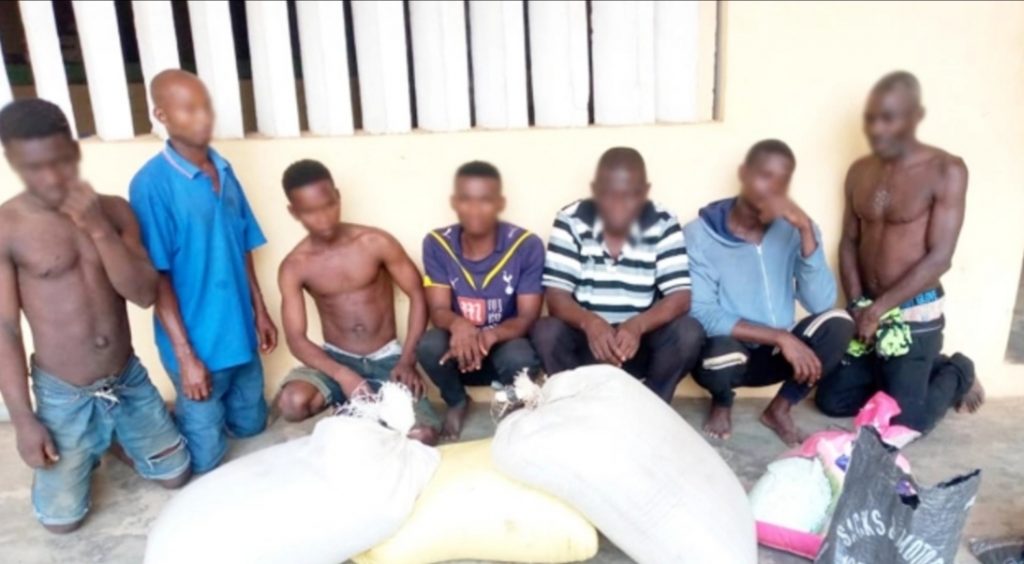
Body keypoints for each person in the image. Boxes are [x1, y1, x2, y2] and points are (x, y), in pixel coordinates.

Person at [0, 99, 190, 533]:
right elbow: (5, 329)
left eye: (60, 161)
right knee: (62, 523)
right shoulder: (7, 228)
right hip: (64, 396)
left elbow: (143, 294)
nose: (52, 178)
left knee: (176, 476)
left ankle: (112, 436)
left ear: (74, 148)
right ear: (13, 162)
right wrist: (24, 419)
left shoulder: (115, 210)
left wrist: (99, 229)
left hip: (127, 380)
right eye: (34, 168)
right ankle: (91, 443)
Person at [815, 71, 984, 433]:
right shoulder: (859, 171)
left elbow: (941, 257)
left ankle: (958, 370)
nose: (878, 128)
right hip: (867, 309)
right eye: (872, 118)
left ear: (915, 117)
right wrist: (858, 304)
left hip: (914, 310)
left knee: (903, 424)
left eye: (890, 118)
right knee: (832, 401)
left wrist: (878, 309)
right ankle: (910, 374)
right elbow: (849, 241)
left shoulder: (946, 170)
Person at [129, 70, 278, 473]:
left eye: (206, 107)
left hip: (240, 336)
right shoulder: (151, 184)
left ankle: (191, 417)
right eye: (189, 109)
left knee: (252, 428)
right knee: (205, 460)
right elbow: (158, 277)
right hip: (198, 345)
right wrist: (186, 357)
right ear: (161, 115)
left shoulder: (224, 170)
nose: (203, 117)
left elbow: (242, 244)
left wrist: (260, 311)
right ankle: (137, 433)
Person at [685, 140, 855, 446]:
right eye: (764, 176)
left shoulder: (795, 229)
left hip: (780, 356)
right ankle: (722, 401)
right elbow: (702, 312)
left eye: (782, 182)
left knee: (839, 323)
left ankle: (779, 409)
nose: (772, 190)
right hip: (731, 352)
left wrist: (806, 231)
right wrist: (780, 337)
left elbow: (820, 302)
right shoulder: (699, 235)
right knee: (716, 354)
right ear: (743, 174)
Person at [274, 160, 438, 443]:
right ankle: (350, 406)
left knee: (422, 435)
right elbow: (296, 339)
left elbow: (418, 294)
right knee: (292, 403)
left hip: (388, 359)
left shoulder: (375, 242)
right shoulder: (295, 266)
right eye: (310, 212)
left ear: (338, 197)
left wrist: (407, 360)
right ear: (294, 212)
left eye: (328, 205)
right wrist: (343, 375)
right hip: (336, 359)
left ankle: (359, 414)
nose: (323, 218)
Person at [531, 147, 704, 402]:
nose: (618, 207)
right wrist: (590, 323)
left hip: (639, 341)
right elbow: (556, 296)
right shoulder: (571, 220)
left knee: (688, 332)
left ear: (645, 191)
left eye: (630, 196)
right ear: (595, 190)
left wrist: (638, 325)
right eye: (608, 195)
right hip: (588, 342)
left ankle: (652, 405)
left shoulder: (663, 221)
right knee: (546, 331)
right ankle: (575, 404)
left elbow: (680, 296)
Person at [416, 161, 544, 439]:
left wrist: (489, 335)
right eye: (466, 200)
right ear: (454, 202)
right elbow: (438, 309)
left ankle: (512, 404)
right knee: (428, 346)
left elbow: (528, 317)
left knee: (521, 357)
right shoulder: (437, 243)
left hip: (502, 348)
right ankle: (457, 401)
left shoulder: (525, 245)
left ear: (500, 203)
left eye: (485, 200)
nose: (475, 210)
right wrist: (459, 325)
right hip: (457, 352)